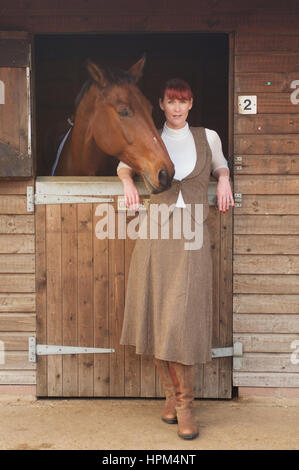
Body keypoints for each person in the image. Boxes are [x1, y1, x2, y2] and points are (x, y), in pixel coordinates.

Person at [117, 78, 234, 440]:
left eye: (183, 101)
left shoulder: (208, 137)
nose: (177, 107)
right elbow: (124, 165)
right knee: (156, 314)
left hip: (193, 235)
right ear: (161, 104)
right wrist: (128, 182)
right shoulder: (150, 135)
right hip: (155, 234)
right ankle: (171, 397)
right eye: (171, 101)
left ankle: (186, 405)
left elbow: (220, 166)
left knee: (181, 318)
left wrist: (225, 178)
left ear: (192, 104)